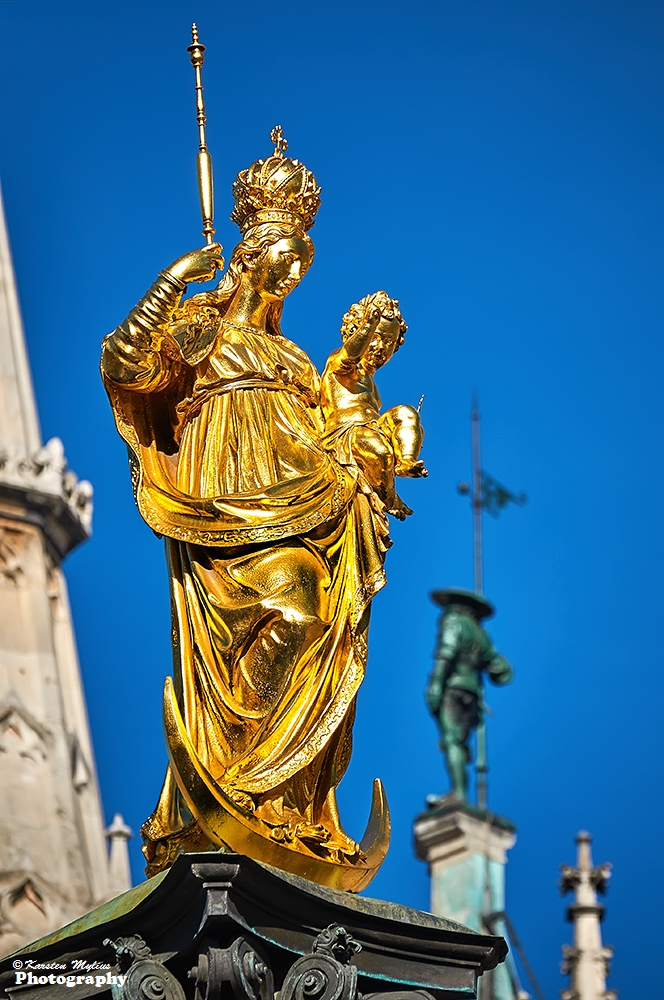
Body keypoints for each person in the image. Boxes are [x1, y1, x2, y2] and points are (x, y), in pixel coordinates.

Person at [101, 136, 395, 879]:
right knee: (288, 617)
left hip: (301, 501)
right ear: (251, 249)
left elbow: (338, 435)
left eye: (304, 256)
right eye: (282, 250)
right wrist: (171, 283)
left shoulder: (298, 361)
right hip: (222, 506)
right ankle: (232, 779)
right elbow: (127, 365)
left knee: (315, 621)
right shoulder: (201, 327)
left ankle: (278, 798)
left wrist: (367, 458)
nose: (294, 268)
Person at [320, 291, 427, 521]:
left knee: (406, 413)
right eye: (375, 337)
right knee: (380, 450)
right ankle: (390, 497)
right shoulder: (341, 363)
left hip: (370, 428)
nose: (380, 347)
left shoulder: (375, 392)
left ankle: (406, 461)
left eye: (389, 342)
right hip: (345, 434)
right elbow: (349, 355)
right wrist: (368, 326)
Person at [425, 589, 513, 801]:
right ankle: (460, 791)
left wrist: (436, 684)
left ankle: (458, 793)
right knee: (460, 744)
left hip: (453, 688)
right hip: (473, 694)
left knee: (451, 742)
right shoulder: (482, 634)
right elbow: (502, 673)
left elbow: (446, 654)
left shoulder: (453, 621)